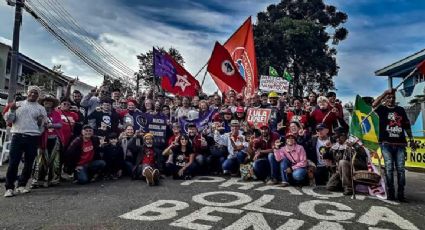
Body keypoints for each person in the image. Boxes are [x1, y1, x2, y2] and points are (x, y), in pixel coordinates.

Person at [4, 86, 47, 197]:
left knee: (29, 163)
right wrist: (12, 110)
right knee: (13, 162)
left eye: (36, 93)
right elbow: (9, 120)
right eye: (31, 92)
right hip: (17, 136)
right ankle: (9, 188)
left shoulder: (41, 108)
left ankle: (21, 185)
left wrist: (40, 123)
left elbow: (42, 126)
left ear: (38, 95)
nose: (33, 94)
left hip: (32, 137)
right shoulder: (18, 104)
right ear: (27, 93)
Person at [372, 88, 413, 202]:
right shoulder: (382, 109)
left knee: (400, 169)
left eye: (393, 97)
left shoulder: (400, 110)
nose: (391, 99)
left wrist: (412, 139)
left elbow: (406, 125)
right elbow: (374, 104)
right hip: (386, 143)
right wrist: (385, 92)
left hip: (400, 144)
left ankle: (401, 194)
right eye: (388, 97)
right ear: (385, 99)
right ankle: (390, 193)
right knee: (389, 168)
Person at [324, 127, 368, 195]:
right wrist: (326, 148)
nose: (337, 139)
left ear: (344, 135)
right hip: (340, 171)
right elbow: (327, 156)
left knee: (343, 162)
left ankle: (349, 188)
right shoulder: (336, 146)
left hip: (355, 168)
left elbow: (363, 154)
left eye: (339, 137)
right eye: (336, 138)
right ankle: (346, 184)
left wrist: (354, 146)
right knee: (330, 187)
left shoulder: (353, 141)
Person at [31, 95, 63, 188]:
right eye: (46, 102)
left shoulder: (56, 113)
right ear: (43, 103)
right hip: (42, 138)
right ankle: (37, 181)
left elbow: (60, 125)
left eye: (50, 102)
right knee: (40, 160)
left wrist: (51, 125)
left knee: (55, 160)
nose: (48, 103)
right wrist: (41, 122)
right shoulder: (39, 113)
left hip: (54, 138)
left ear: (53, 104)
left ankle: (53, 180)